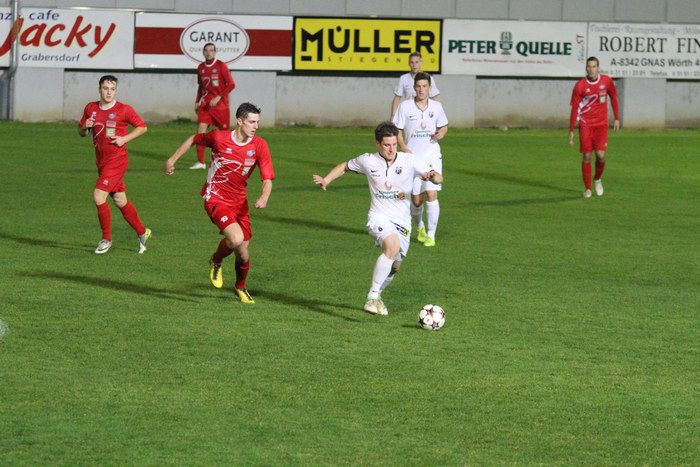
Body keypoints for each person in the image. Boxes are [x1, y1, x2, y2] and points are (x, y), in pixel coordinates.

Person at [312, 122, 442, 316]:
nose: (391, 149)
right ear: (378, 144)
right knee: (392, 246)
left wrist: (432, 176)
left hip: (403, 222)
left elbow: (439, 178)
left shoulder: (409, 160)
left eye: (394, 144)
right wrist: (327, 179)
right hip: (378, 217)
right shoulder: (368, 161)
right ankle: (372, 296)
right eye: (386, 145)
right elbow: (345, 166)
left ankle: (377, 296)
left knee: (395, 266)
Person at [165, 103, 274, 304]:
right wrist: (172, 160)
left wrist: (264, 197)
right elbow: (194, 139)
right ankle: (216, 260)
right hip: (215, 198)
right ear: (239, 121)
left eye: (257, 122)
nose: (256, 126)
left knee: (243, 254)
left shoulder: (259, 145)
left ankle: (240, 287)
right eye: (252, 122)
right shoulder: (218, 138)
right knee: (236, 239)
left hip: (240, 204)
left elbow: (267, 179)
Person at [78, 75, 151, 255]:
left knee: (98, 196)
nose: (109, 92)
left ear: (115, 91)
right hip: (101, 161)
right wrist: (84, 126)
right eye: (105, 88)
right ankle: (142, 232)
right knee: (120, 200)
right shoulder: (91, 108)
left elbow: (142, 127)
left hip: (117, 160)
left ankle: (106, 239)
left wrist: (124, 139)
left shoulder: (123, 109)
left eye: (112, 89)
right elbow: (81, 132)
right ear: (99, 90)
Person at [392, 72, 448, 247]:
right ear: (414, 88)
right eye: (418, 86)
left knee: (431, 193)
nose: (421, 89)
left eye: (424, 86)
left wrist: (441, 133)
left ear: (430, 88)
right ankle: (420, 226)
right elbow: (397, 130)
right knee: (416, 201)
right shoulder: (405, 106)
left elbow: (444, 126)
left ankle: (431, 235)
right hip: (412, 158)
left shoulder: (437, 107)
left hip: (432, 155)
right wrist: (403, 146)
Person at [568, 56, 620, 198]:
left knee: (601, 156)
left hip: (601, 125)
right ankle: (588, 189)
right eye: (589, 66)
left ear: (598, 68)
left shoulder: (606, 81)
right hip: (585, 124)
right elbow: (574, 108)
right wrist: (571, 130)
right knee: (587, 156)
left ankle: (597, 179)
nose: (591, 69)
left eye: (594, 66)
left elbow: (613, 97)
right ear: (586, 68)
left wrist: (616, 118)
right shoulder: (580, 86)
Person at [190, 42, 236, 170]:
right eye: (206, 50)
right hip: (205, 106)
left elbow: (231, 85)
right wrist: (197, 101)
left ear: (215, 52)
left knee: (225, 135)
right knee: (201, 132)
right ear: (203, 52)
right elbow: (201, 86)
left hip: (221, 107)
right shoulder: (200, 67)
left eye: (211, 50)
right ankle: (201, 162)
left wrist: (218, 96)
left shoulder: (221, 66)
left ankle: (227, 160)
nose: (208, 52)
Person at [390, 51, 440, 119]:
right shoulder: (404, 78)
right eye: (412, 62)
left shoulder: (429, 78)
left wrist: (437, 116)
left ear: (421, 63)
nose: (414, 65)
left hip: (424, 114)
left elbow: (435, 99)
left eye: (416, 62)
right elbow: (397, 99)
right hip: (408, 114)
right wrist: (393, 116)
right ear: (409, 63)